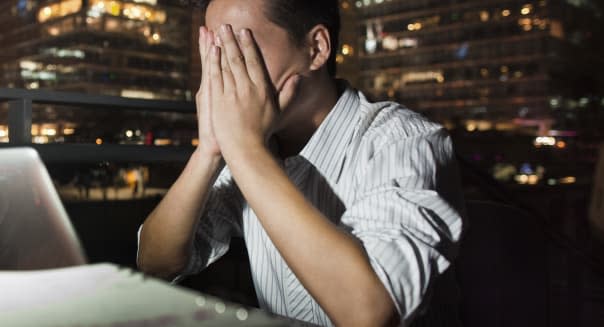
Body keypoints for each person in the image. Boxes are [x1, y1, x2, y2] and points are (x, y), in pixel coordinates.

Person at [137, 0, 465, 326]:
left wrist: (246, 148)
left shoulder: (403, 140)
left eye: (241, 47)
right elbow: (155, 263)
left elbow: (369, 314)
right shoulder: (252, 148)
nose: (227, 71)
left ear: (317, 48)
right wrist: (208, 150)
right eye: (217, 52)